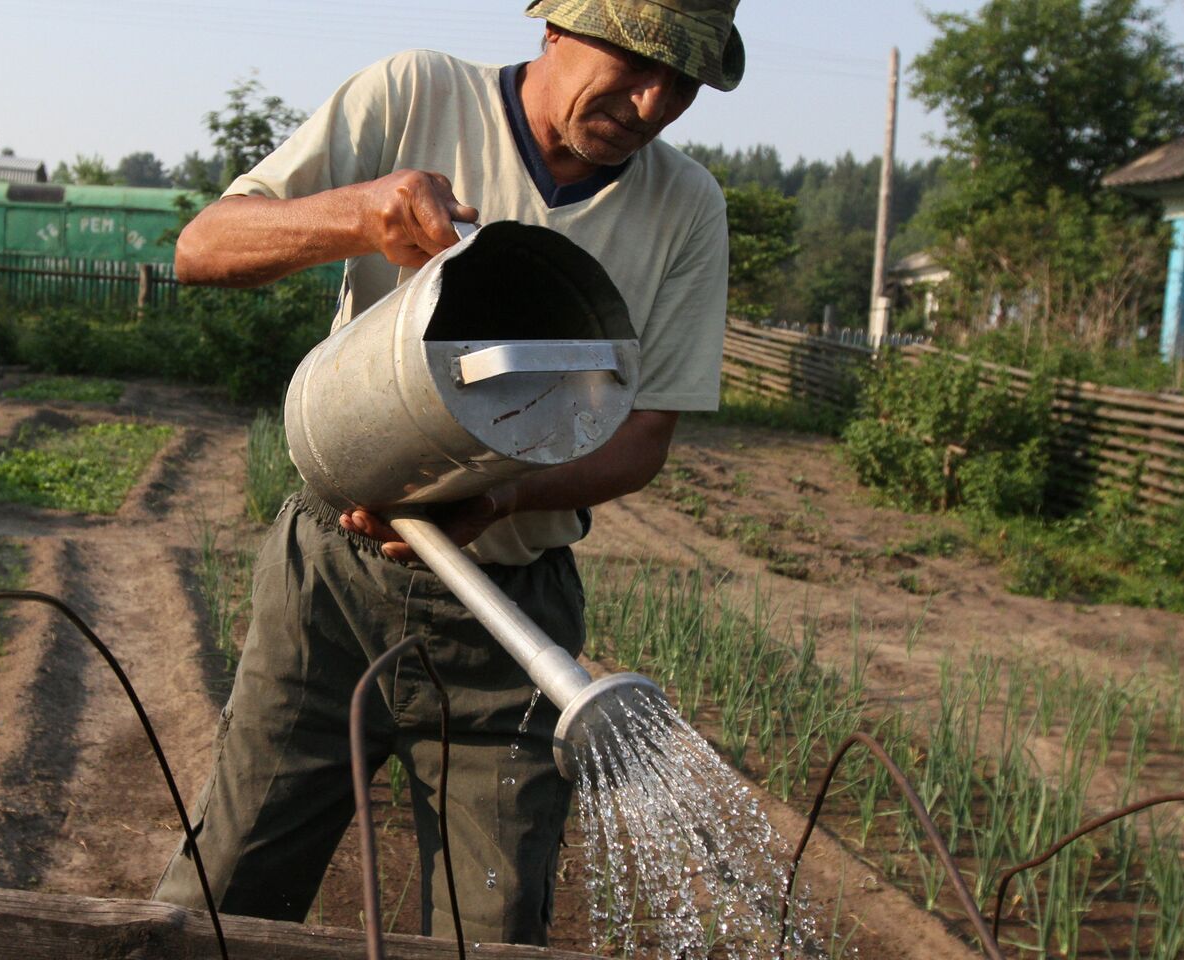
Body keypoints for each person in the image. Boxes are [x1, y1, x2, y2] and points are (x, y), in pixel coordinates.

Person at [154, 0, 743, 945]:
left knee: (493, 926)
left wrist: (503, 493)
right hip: (332, 587)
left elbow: (642, 438)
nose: (650, 100)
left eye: (681, 82)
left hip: (510, 620)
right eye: (634, 61)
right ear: (556, 25)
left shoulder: (687, 206)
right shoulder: (416, 93)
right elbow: (203, 247)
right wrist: (357, 214)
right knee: (230, 892)